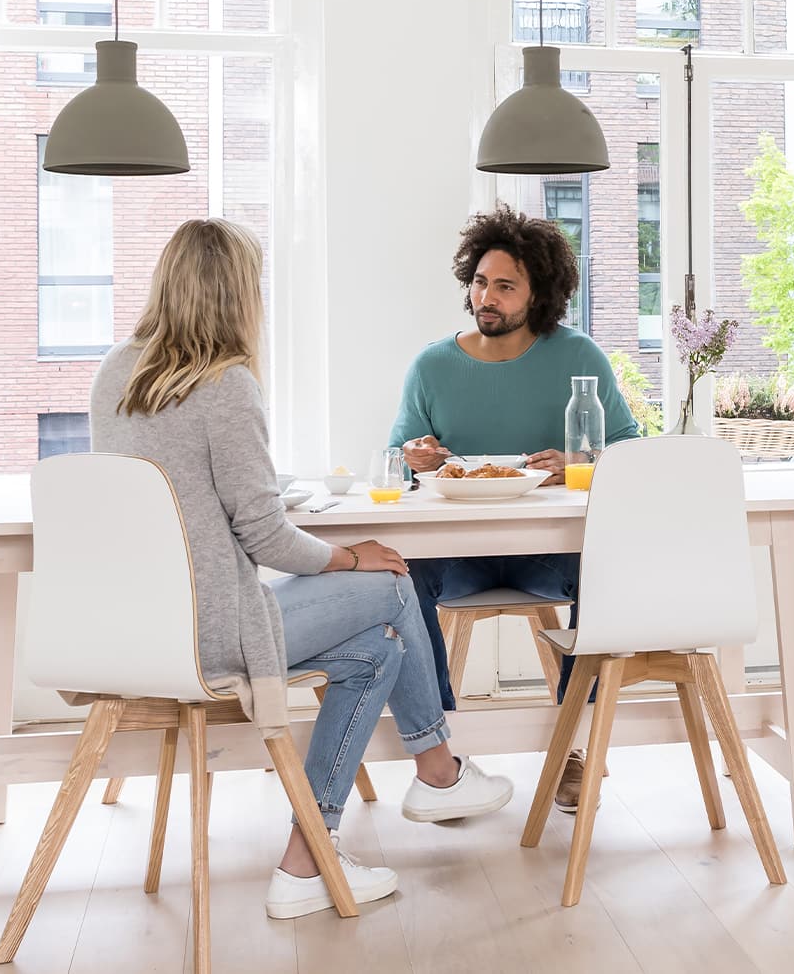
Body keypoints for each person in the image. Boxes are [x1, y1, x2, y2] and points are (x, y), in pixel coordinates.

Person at [92, 219, 512, 921]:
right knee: (393, 582)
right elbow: (264, 535)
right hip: (215, 635)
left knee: (376, 650)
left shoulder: (115, 372)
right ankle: (435, 772)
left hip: (139, 632)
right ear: (236, 296)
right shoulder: (225, 384)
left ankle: (308, 859)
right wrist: (352, 556)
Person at [391, 203, 641, 812]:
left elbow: (630, 449)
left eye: (505, 286)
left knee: (602, 575)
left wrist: (580, 464)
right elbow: (399, 456)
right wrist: (415, 458)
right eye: (480, 282)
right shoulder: (431, 365)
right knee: (397, 581)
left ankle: (575, 745)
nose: (488, 297)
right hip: (457, 555)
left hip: (547, 553)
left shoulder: (578, 359)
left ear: (539, 295)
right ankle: (441, 755)